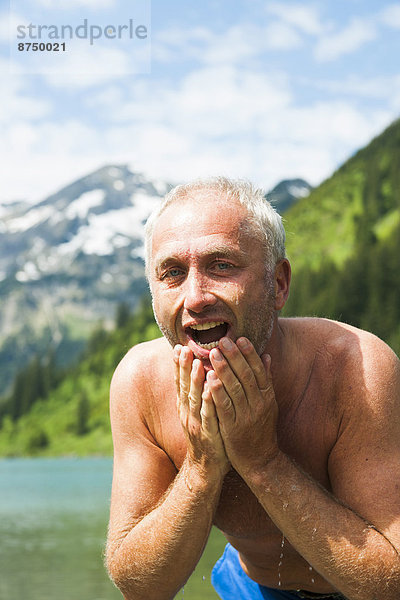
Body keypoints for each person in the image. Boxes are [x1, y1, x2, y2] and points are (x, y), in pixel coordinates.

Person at [105, 177, 400, 600]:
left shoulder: (355, 368)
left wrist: (263, 462)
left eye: (221, 265)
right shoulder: (140, 383)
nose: (195, 297)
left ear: (278, 284)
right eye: (172, 273)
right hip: (249, 586)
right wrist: (203, 467)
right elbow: (141, 587)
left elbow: (390, 584)